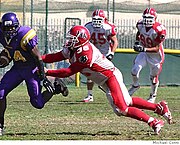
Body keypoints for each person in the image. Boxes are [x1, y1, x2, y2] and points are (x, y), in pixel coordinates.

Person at [42, 25, 172, 134]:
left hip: (110, 77)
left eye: (72, 38)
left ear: (80, 40)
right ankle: (159, 108)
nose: (69, 41)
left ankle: (154, 122)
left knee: (121, 109)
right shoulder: (74, 48)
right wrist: (40, 58)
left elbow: (68, 71)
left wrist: (47, 71)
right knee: (127, 101)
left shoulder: (85, 54)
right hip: (103, 80)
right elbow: (57, 56)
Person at [0, 12, 68, 136]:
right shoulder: (0, 34)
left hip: (31, 69)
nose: (9, 31)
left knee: (37, 103)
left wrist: (43, 78)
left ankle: (56, 87)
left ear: (17, 26)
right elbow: (11, 50)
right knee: (0, 92)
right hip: (18, 68)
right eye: (6, 28)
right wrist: (6, 57)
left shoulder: (24, 35)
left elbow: (38, 58)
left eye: (11, 28)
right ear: (2, 27)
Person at [128, 8, 166, 103]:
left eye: (149, 18)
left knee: (153, 77)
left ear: (155, 18)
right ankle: (135, 85)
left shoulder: (158, 30)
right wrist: (137, 42)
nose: (147, 20)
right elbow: (139, 33)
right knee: (134, 70)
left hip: (156, 56)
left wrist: (144, 48)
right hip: (144, 53)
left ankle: (153, 95)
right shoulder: (140, 24)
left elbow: (157, 48)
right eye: (145, 17)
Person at [83, 9, 118, 102]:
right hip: (93, 52)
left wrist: (112, 53)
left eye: (99, 20)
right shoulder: (88, 27)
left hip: (105, 52)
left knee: (106, 74)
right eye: (95, 20)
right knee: (89, 73)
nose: (97, 22)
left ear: (104, 19)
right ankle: (90, 95)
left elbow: (115, 41)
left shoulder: (108, 27)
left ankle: (110, 91)